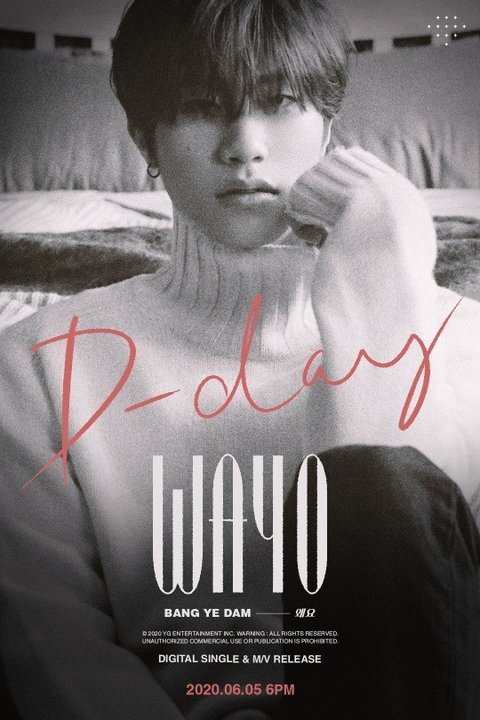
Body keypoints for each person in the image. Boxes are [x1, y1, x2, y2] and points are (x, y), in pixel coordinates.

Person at [1, 1, 479, 718]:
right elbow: (54, 650)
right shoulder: (35, 363)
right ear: (145, 138)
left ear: (329, 129)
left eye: (280, 102)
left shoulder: (462, 339)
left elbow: (431, 588)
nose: (244, 146)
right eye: (201, 106)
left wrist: (386, 291)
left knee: (380, 484)